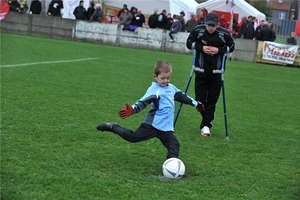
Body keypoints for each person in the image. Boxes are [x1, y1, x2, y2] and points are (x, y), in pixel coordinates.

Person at [96, 60, 205, 159]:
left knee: (174, 146)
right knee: (133, 137)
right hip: (153, 125)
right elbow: (142, 102)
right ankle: (112, 127)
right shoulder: (154, 90)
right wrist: (132, 110)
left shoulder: (171, 88)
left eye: (168, 78)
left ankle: (171, 169)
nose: (165, 81)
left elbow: (183, 96)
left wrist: (196, 104)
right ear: (155, 76)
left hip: (166, 128)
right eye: (162, 78)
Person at [186, 12, 235, 137]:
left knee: (212, 101)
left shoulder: (224, 34)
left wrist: (219, 50)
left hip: (216, 73)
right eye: (209, 25)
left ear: (217, 25)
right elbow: (189, 43)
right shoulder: (198, 30)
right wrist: (201, 47)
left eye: (213, 25)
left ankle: (206, 125)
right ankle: (207, 120)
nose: (211, 28)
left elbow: (232, 46)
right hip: (200, 71)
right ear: (205, 23)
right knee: (200, 101)